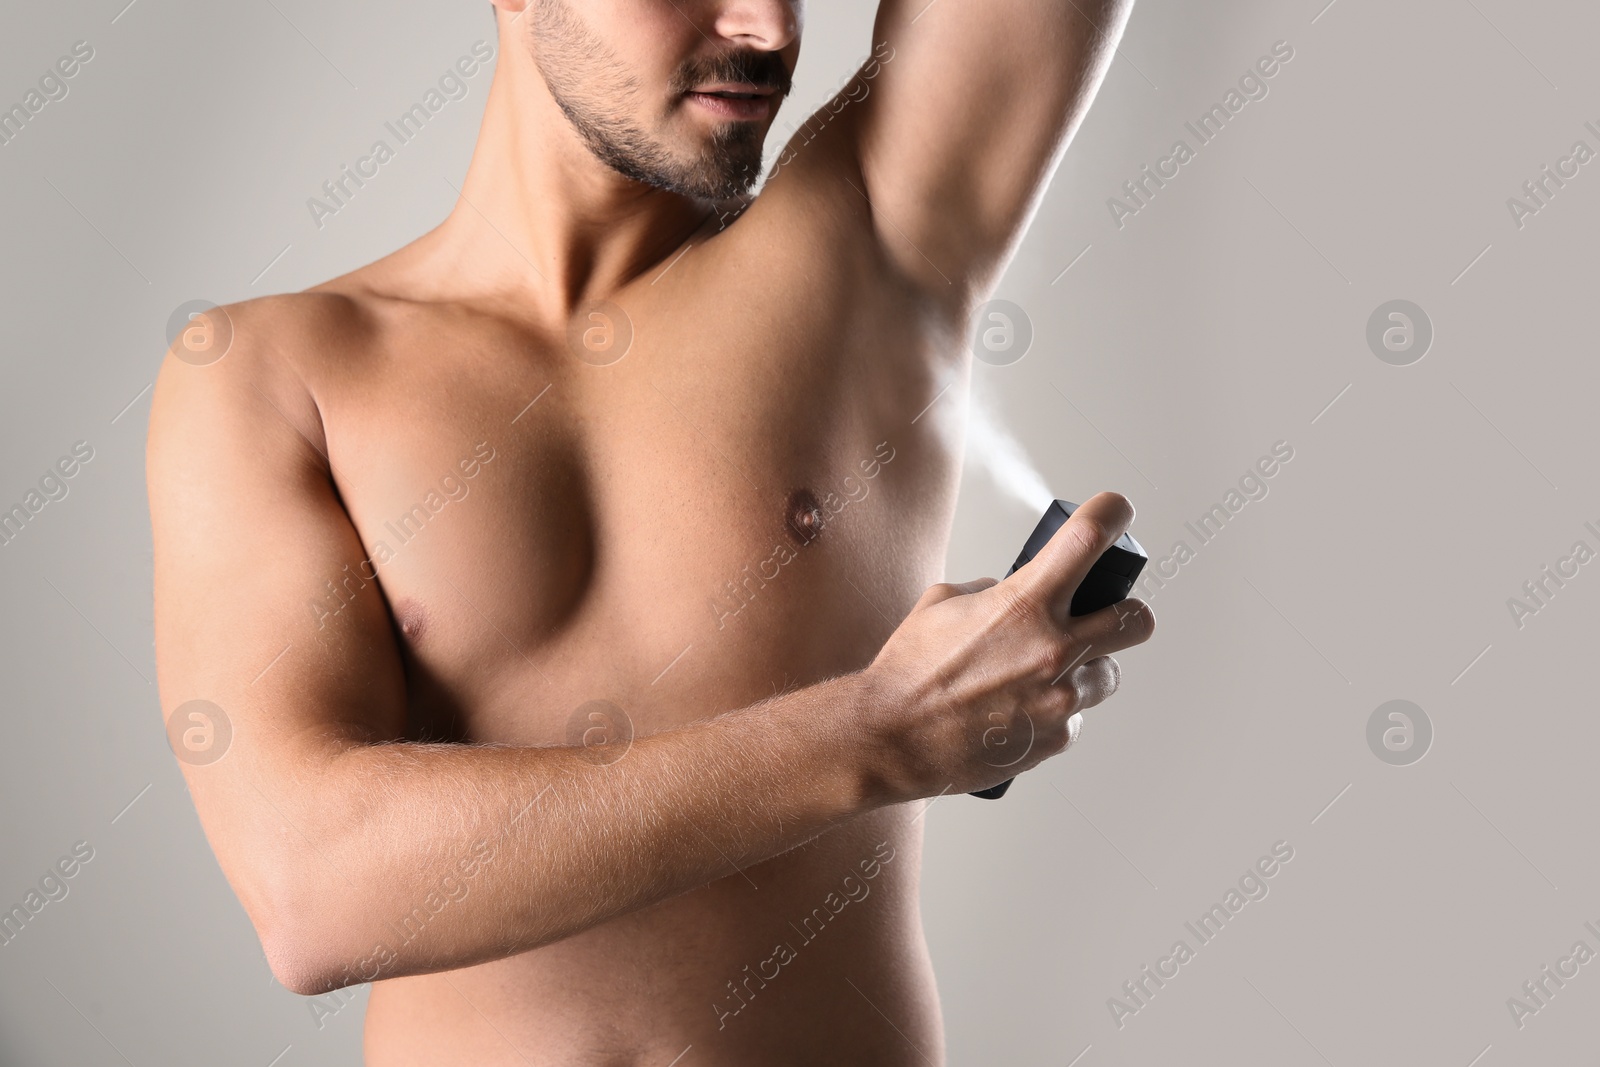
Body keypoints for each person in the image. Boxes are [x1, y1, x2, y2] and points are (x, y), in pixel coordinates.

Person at [145, 0, 1150, 1062]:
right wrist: (874, 734)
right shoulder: (276, 376)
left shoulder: (871, 239)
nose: (765, 27)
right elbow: (313, 889)